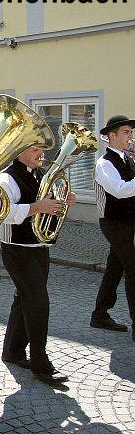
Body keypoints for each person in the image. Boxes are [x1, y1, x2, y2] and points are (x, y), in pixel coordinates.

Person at [0, 145, 75, 385]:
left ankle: (12, 350)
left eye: (42, 149)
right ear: (19, 151)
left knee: (24, 298)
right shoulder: (6, 177)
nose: (41, 153)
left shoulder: (39, 174)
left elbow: (48, 207)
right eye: (35, 149)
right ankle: (40, 364)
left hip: (39, 245)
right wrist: (37, 207)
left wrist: (63, 202)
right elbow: (0, 211)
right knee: (38, 303)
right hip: (17, 248)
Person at [91, 115, 135, 339]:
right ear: (112, 136)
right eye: (126, 133)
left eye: (130, 132)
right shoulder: (104, 163)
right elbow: (120, 190)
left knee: (115, 267)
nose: (130, 137)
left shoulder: (128, 158)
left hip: (128, 221)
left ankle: (100, 314)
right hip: (113, 222)